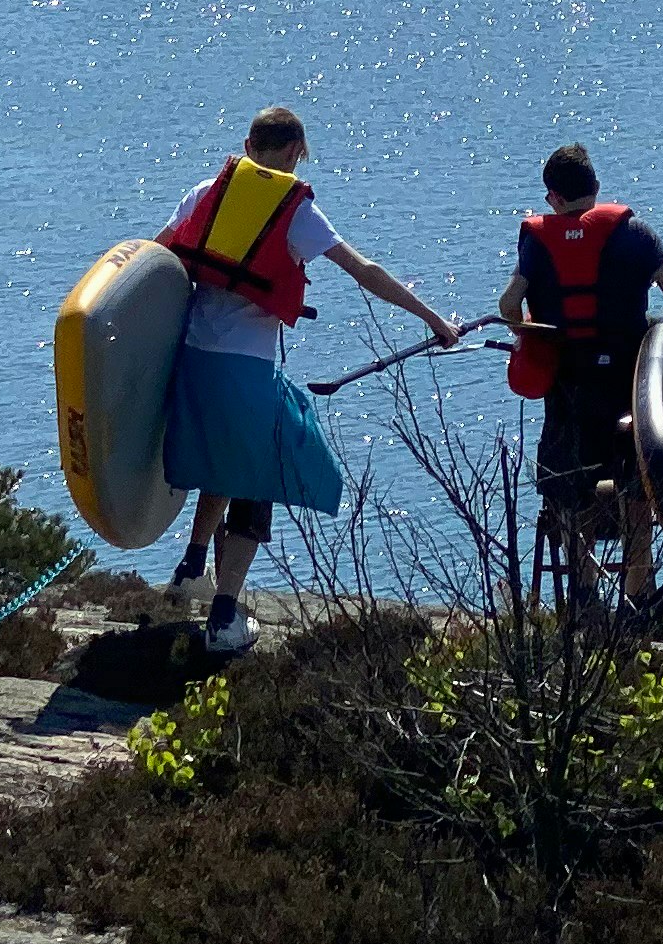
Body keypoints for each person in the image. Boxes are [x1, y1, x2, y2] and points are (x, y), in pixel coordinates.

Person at [159, 103, 460, 657]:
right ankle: (224, 618)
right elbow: (363, 269)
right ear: (296, 154)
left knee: (224, 459)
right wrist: (433, 319)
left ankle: (191, 567)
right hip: (245, 369)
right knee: (262, 474)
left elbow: (154, 261)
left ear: (248, 146)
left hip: (192, 368)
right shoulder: (296, 211)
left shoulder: (206, 192)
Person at [499, 142, 663, 618]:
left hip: (570, 389)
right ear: (596, 188)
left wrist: (527, 335)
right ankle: (638, 588)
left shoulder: (537, 241)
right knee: (638, 482)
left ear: (553, 197)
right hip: (632, 390)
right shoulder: (636, 235)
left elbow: (509, 304)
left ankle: (585, 592)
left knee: (571, 488)